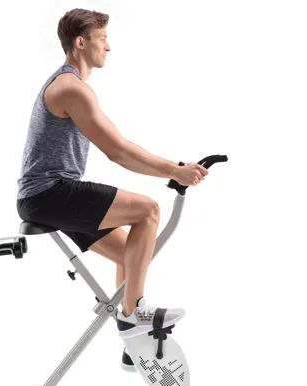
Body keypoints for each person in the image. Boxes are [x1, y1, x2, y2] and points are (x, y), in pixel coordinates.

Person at [16, 8, 208, 339]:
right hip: (48, 194)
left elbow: (119, 146)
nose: (108, 46)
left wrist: (173, 170)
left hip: (45, 196)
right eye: (102, 38)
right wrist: (175, 171)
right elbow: (118, 151)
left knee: (131, 254)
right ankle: (135, 314)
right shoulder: (71, 89)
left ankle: (132, 344)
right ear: (81, 43)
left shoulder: (71, 86)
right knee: (148, 211)